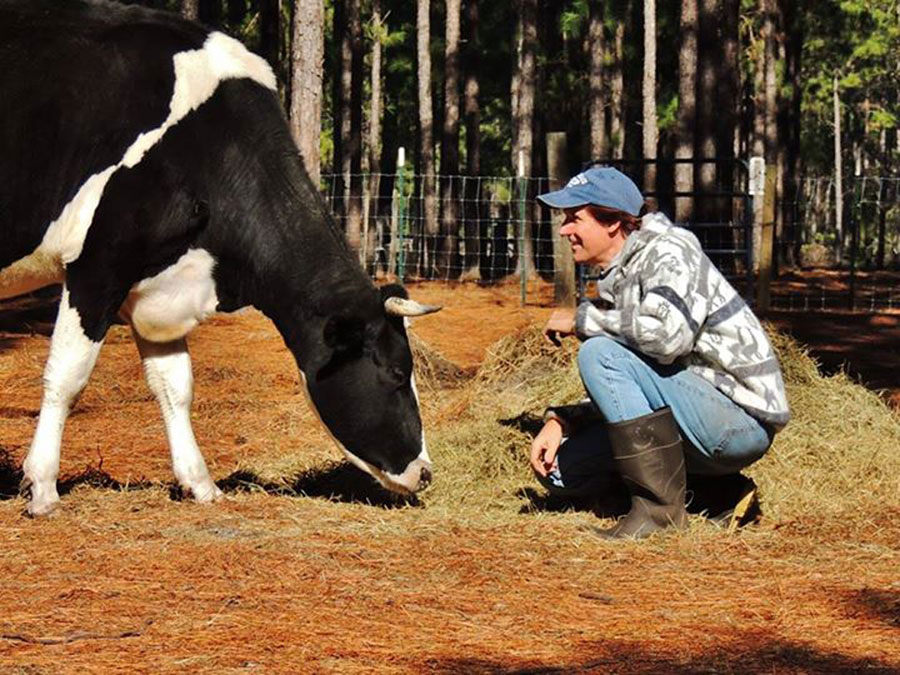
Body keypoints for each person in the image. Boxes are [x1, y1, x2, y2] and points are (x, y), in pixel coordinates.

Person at [531, 166, 790, 540]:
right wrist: (563, 421)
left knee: (598, 353)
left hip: (739, 421)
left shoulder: (669, 251)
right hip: (689, 409)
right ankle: (717, 494)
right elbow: (636, 386)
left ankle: (658, 518)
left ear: (613, 222)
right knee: (560, 472)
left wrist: (584, 320)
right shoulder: (619, 275)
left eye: (574, 219)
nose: (564, 230)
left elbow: (669, 339)